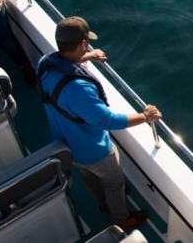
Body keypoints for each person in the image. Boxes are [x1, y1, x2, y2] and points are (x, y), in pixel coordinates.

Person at [36, 16, 162, 232]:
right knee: (114, 183)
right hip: (95, 151)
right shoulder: (79, 89)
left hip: (67, 145)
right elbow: (107, 120)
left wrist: (88, 57)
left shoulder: (45, 64)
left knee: (88, 176)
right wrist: (145, 117)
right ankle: (122, 219)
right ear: (83, 43)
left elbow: (66, 63)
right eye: (86, 44)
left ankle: (102, 202)